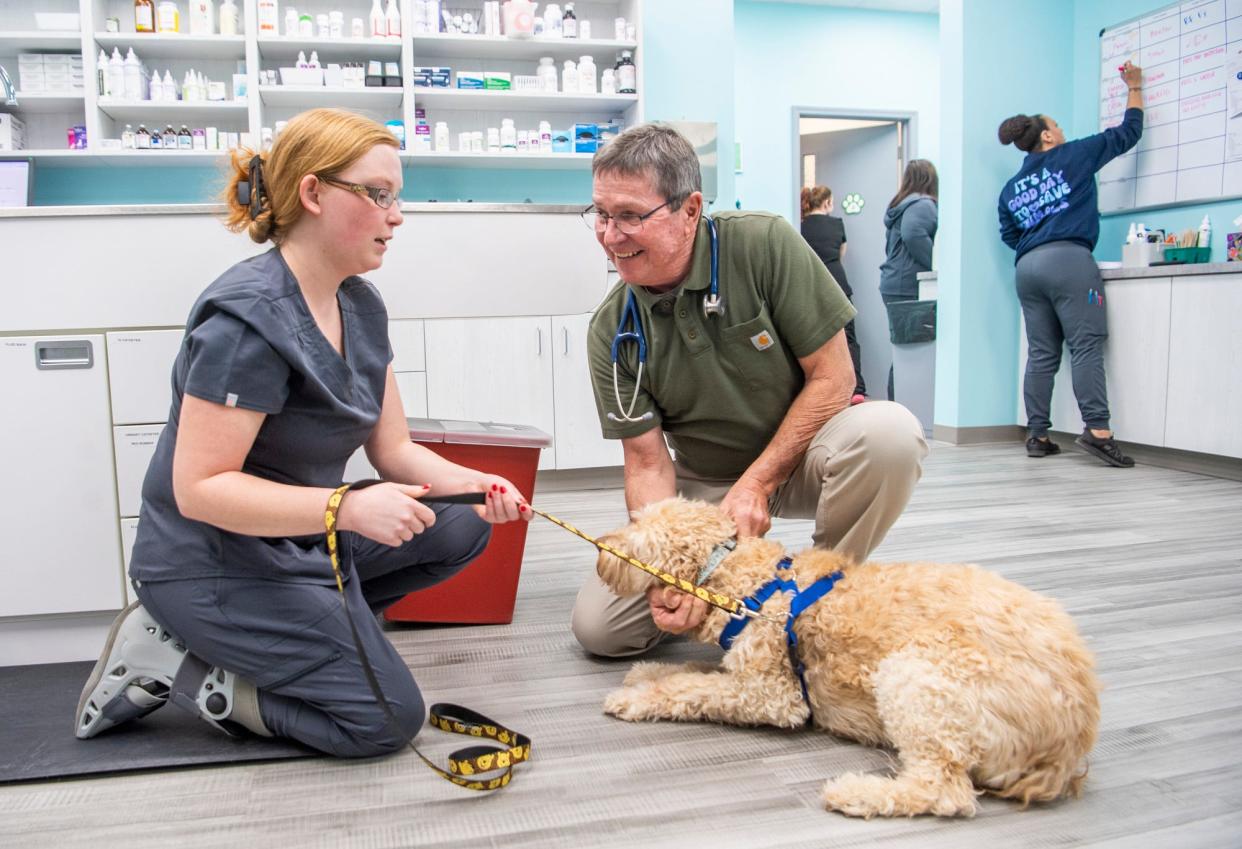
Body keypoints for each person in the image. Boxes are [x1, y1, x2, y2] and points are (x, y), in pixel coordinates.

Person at [75, 108, 532, 757]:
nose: (396, 215)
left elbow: (393, 449)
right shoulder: (247, 320)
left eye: (396, 197)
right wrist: (346, 506)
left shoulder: (360, 303)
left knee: (461, 522)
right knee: (387, 719)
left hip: (301, 541)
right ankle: (197, 668)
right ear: (313, 193)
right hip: (213, 563)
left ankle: (317, 640)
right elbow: (200, 488)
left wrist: (478, 482)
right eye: (378, 195)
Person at [570, 123, 927, 658]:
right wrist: (675, 572)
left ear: (690, 210)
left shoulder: (763, 244)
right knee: (602, 632)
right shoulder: (612, 329)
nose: (609, 234)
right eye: (600, 214)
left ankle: (818, 597)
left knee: (890, 434)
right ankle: (732, 589)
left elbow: (835, 377)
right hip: (706, 481)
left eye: (629, 216)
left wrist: (758, 482)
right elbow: (647, 464)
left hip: (804, 455)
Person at [998, 61, 1143, 468]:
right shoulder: (1073, 154)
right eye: (1056, 125)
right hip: (1069, 260)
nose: (1061, 129)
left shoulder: (1011, 188)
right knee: (1085, 345)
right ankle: (1098, 432)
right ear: (1047, 135)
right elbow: (1128, 133)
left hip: (1027, 268)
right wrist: (1135, 87)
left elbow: (1009, 234)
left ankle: (1037, 435)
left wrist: (1035, 245)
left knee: (1042, 353)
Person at [878, 160, 938, 401]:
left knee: (902, 350)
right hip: (908, 284)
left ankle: (898, 405)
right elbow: (913, 234)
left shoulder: (900, 205)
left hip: (894, 282)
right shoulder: (922, 205)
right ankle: (900, 407)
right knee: (909, 352)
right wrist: (935, 265)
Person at [801, 185, 865, 403]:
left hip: (811, 285)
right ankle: (857, 389)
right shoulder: (836, 224)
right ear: (827, 202)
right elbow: (840, 253)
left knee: (811, 339)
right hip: (837, 282)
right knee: (849, 337)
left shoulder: (800, 226)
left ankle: (815, 389)